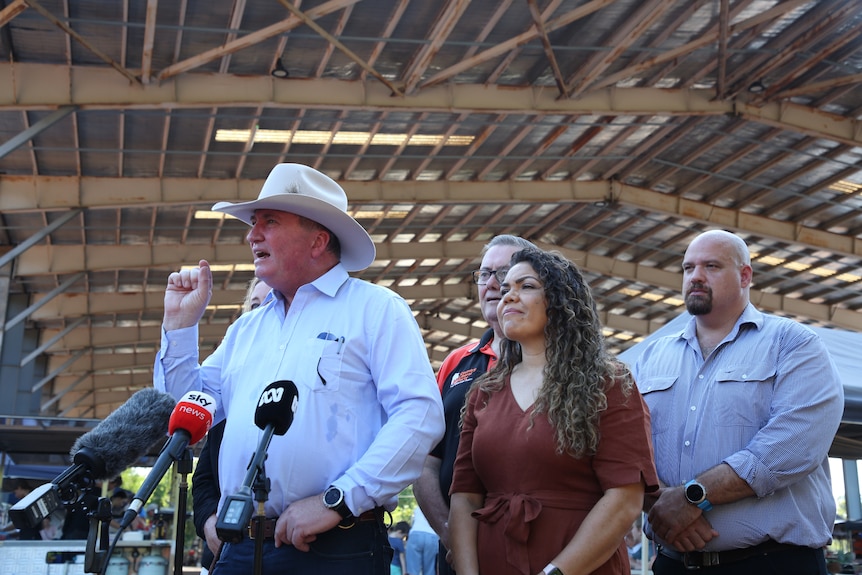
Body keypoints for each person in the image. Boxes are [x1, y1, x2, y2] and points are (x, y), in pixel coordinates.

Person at [154, 163, 444, 575]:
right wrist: (180, 327)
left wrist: (340, 499)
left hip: (337, 546)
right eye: (254, 223)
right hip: (241, 546)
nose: (252, 235)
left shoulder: (377, 309)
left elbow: (420, 415)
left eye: (269, 222)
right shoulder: (246, 329)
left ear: (318, 240)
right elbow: (187, 411)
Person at [632, 229, 844, 575]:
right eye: (688, 268)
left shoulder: (793, 345)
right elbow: (627, 449)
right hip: (675, 564)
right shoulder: (652, 357)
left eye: (711, 266)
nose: (696, 276)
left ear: (745, 275)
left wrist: (691, 497)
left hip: (771, 564)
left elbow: (792, 445)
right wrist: (659, 505)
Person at [449, 248, 658, 575]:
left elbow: (625, 499)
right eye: (505, 290)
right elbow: (465, 498)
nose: (508, 297)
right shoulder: (483, 393)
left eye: (526, 286)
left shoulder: (608, 383)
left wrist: (556, 573)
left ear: (562, 301)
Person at [413, 234, 536, 574]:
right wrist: (452, 535)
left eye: (506, 272)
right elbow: (425, 462)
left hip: (532, 549)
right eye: (484, 274)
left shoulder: (555, 365)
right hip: (456, 554)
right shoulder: (456, 362)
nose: (493, 284)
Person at [193, 278, 271, 574]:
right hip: (227, 552)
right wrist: (209, 522)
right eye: (254, 305)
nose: (263, 312)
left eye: (272, 303)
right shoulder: (227, 394)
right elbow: (203, 479)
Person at [405, 506, 438, 575]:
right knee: (430, 569)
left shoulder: (418, 507)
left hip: (416, 533)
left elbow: (413, 521)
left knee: (412, 569)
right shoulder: (438, 506)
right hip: (432, 535)